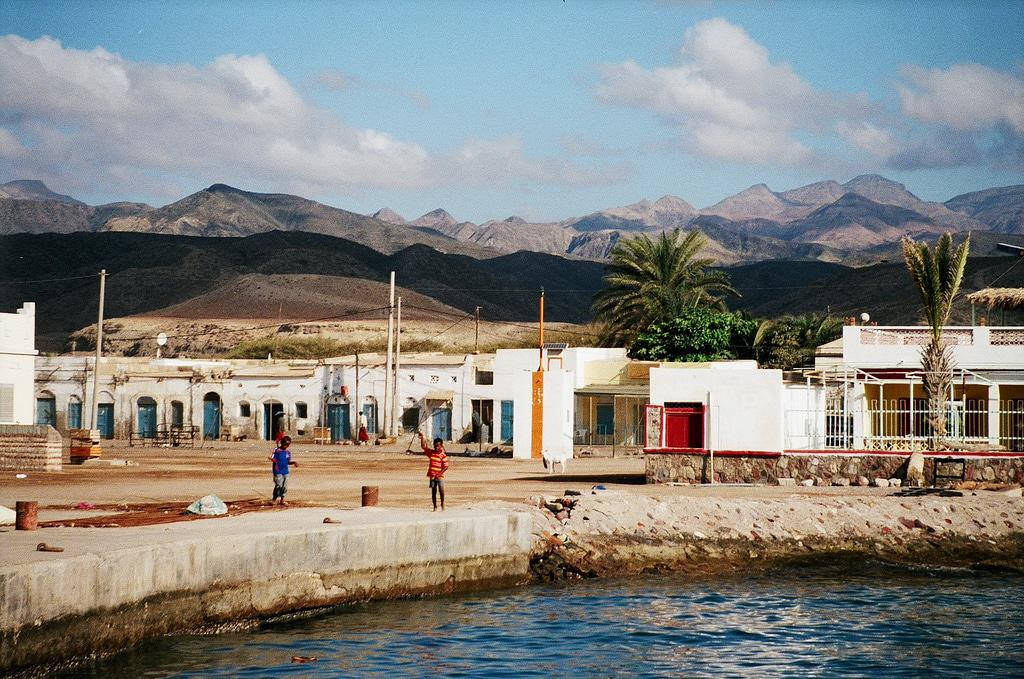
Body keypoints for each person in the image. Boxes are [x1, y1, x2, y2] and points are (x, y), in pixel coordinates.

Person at [418, 431, 449, 511]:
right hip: (432, 475)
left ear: (441, 446)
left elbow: (446, 467)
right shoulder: (432, 453)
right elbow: (424, 447)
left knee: (441, 489)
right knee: (433, 491)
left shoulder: (443, 455)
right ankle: (435, 506)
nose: (436, 448)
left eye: (438, 446)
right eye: (435, 446)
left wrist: (439, 474)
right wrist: (422, 438)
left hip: (440, 476)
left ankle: (442, 503)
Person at [268, 435, 296, 506]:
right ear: (282, 443)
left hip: (285, 471)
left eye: (287, 445)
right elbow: (272, 458)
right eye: (284, 444)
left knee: (285, 486)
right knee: (279, 485)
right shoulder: (277, 451)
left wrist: (293, 463)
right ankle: (274, 499)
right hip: (278, 471)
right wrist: (272, 459)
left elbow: (288, 462)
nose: (285, 446)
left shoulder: (288, 453)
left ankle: (282, 499)